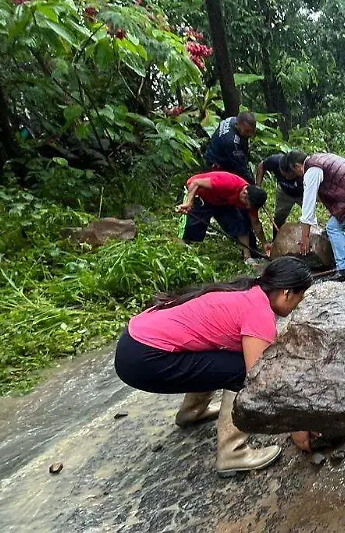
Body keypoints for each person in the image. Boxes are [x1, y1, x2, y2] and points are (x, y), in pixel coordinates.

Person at [114, 257, 315, 477]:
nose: (300, 303)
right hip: (144, 359)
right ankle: (233, 453)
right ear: (287, 293)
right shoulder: (259, 313)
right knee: (242, 372)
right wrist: (298, 426)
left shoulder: (245, 290)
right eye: (300, 296)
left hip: (132, 342)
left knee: (225, 354)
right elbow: (260, 379)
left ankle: (192, 411)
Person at [283, 151, 345, 282]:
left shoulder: (311, 171)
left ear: (297, 166)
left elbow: (308, 207)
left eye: (295, 172)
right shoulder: (320, 157)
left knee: (333, 228)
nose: (298, 176)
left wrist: (305, 237)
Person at [177, 170, 268, 264]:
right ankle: (183, 254)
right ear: (244, 193)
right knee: (191, 228)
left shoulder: (252, 200)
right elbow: (195, 183)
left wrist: (264, 243)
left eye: (250, 206)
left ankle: (247, 257)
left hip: (222, 201)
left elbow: (256, 223)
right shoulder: (227, 183)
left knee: (240, 226)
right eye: (247, 204)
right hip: (199, 194)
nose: (248, 207)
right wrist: (189, 202)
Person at [255, 152, 304, 237]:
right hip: (284, 192)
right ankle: (276, 240)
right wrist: (258, 187)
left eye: (288, 176)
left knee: (309, 219)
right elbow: (261, 166)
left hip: (303, 195)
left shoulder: (304, 171)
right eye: (283, 175)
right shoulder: (274, 161)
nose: (285, 178)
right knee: (278, 219)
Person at [204, 112, 257, 183]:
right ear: (237, 125)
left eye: (252, 131)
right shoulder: (231, 141)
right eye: (247, 131)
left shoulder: (233, 119)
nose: (250, 134)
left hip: (223, 154)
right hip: (216, 163)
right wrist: (252, 183)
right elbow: (241, 167)